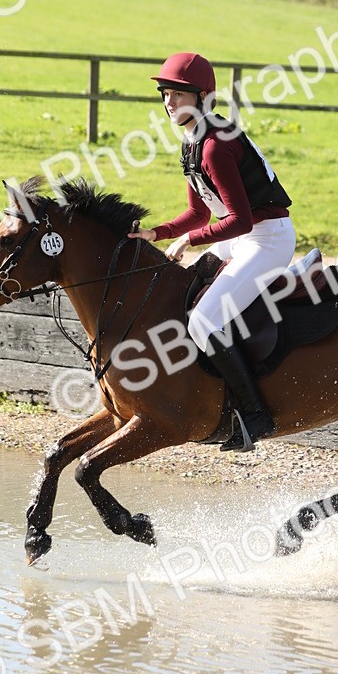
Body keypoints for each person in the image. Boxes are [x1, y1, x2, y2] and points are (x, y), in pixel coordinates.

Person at [128, 51, 296, 452]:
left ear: (203, 98)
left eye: (178, 94)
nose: (168, 101)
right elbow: (198, 212)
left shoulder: (214, 147)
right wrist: (156, 233)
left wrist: (189, 240)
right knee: (185, 291)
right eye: (165, 93)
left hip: (266, 239)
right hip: (242, 236)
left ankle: (255, 415)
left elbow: (239, 220)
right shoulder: (192, 143)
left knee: (203, 321)